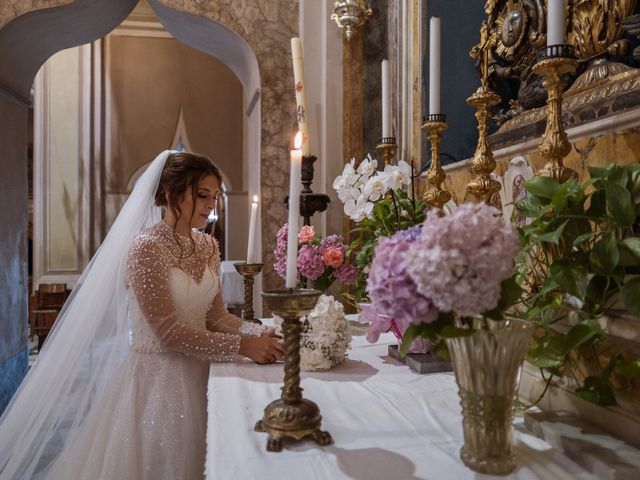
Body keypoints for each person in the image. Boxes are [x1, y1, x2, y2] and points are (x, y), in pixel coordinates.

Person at [0, 151, 283, 479]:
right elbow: (168, 333)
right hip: (160, 382)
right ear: (169, 194)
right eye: (202, 195)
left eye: (215, 196)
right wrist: (244, 347)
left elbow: (217, 317)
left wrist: (259, 332)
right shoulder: (145, 248)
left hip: (209, 373)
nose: (211, 205)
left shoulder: (208, 246)